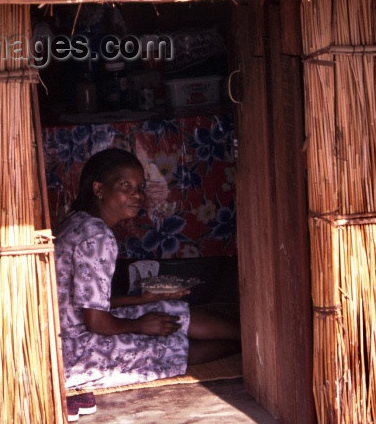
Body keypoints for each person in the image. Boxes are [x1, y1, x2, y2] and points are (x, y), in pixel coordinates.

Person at [54, 148, 240, 421]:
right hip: (77, 352)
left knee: (166, 308)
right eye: (125, 186)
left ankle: (248, 339)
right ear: (98, 189)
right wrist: (140, 325)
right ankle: (246, 345)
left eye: (140, 187)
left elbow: (87, 302)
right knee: (167, 346)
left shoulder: (77, 222)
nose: (137, 195)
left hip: (69, 333)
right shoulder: (96, 237)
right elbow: (95, 321)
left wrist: (142, 300)